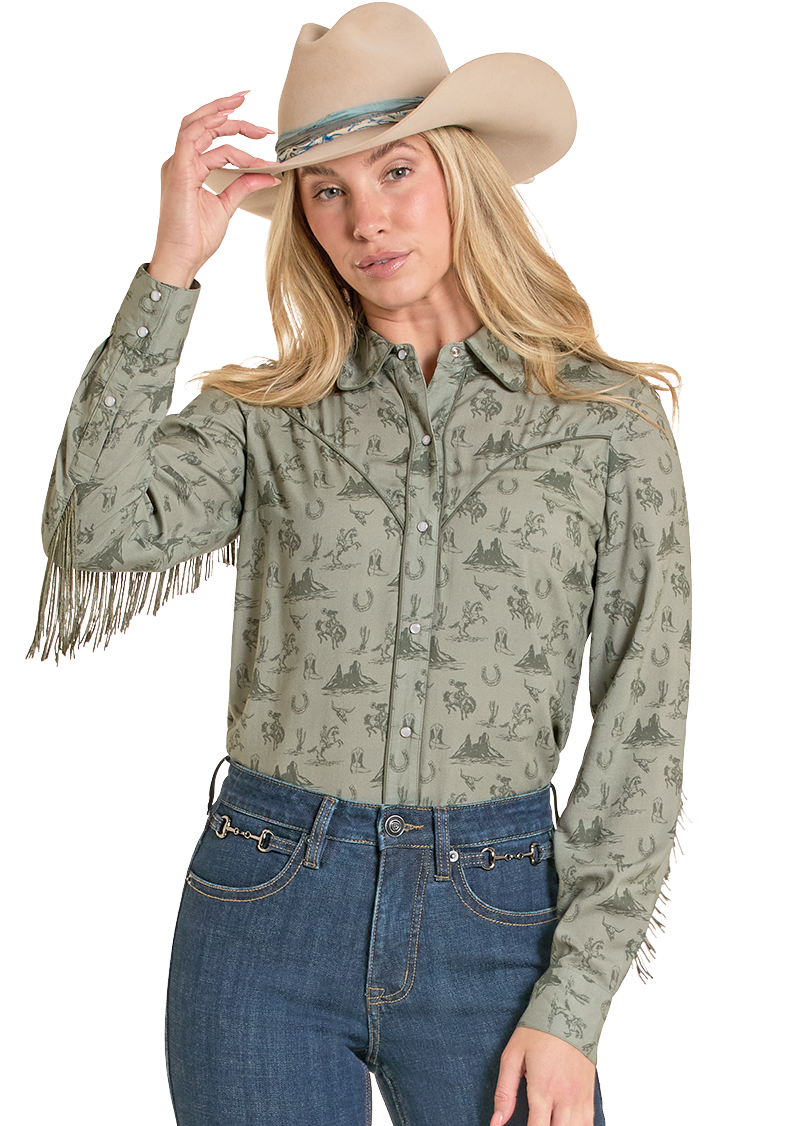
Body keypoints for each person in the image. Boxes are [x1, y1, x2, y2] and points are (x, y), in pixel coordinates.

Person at [28, 5, 692, 1124]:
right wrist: (173, 263)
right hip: (264, 902)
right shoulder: (265, 417)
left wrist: (574, 1002)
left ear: (462, 177)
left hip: (500, 921)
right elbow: (90, 532)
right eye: (327, 188)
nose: (366, 218)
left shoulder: (607, 424)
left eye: (396, 170)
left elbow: (641, 729)